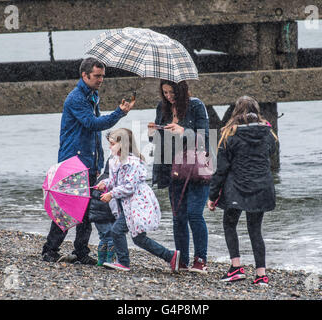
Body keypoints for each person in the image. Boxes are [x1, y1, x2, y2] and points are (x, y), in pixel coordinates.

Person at [41, 57, 135, 264]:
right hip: (73, 162)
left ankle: (81, 251)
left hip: (89, 161)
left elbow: (91, 132)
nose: (101, 79)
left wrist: (100, 159)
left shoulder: (93, 95)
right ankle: (50, 249)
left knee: (86, 211)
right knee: (67, 208)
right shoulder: (76, 98)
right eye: (97, 76)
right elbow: (92, 124)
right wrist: (119, 113)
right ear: (85, 75)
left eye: (103, 76)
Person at [207, 95, 278, 285]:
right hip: (262, 187)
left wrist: (212, 196)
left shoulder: (229, 134)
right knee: (255, 230)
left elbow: (221, 170)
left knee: (230, 224)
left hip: (236, 188)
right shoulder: (268, 133)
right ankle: (261, 274)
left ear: (235, 112)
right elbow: (271, 152)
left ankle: (236, 267)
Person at [96, 128, 180, 272]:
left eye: (112, 143)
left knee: (117, 230)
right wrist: (106, 183)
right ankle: (170, 256)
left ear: (122, 144)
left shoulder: (132, 162)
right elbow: (117, 180)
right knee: (138, 239)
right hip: (126, 204)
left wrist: (111, 194)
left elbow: (129, 186)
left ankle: (123, 262)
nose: (109, 147)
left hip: (137, 203)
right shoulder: (115, 161)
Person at [148, 80, 210, 273]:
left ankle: (200, 259)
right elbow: (159, 140)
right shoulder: (162, 107)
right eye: (165, 92)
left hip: (196, 168)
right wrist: (153, 133)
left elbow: (206, 137)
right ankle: (182, 259)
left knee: (194, 214)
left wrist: (183, 131)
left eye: (172, 92)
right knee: (178, 216)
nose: (169, 96)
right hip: (172, 168)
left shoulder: (196, 105)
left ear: (181, 90)